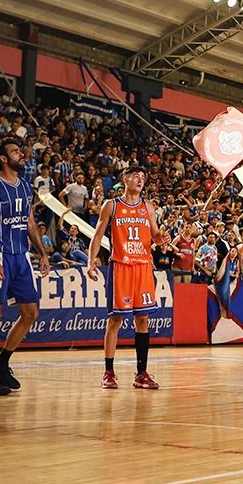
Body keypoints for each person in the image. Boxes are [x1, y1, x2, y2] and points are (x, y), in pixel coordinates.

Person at [0, 138, 50, 396]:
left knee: (31, 312)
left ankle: (3, 364)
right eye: (16, 151)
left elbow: (29, 223)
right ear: (4, 158)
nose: (23, 154)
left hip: (22, 256)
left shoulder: (25, 187)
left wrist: (42, 252)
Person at [87, 166, 170, 390]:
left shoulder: (148, 207)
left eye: (143, 177)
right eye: (136, 176)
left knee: (142, 320)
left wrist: (162, 238)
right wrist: (91, 261)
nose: (140, 180)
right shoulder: (111, 205)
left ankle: (141, 373)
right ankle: (108, 372)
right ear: (125, 179)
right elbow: (97, 235)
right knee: (115, 320)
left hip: (143, 267)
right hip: (121, 266)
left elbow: (156, 237)